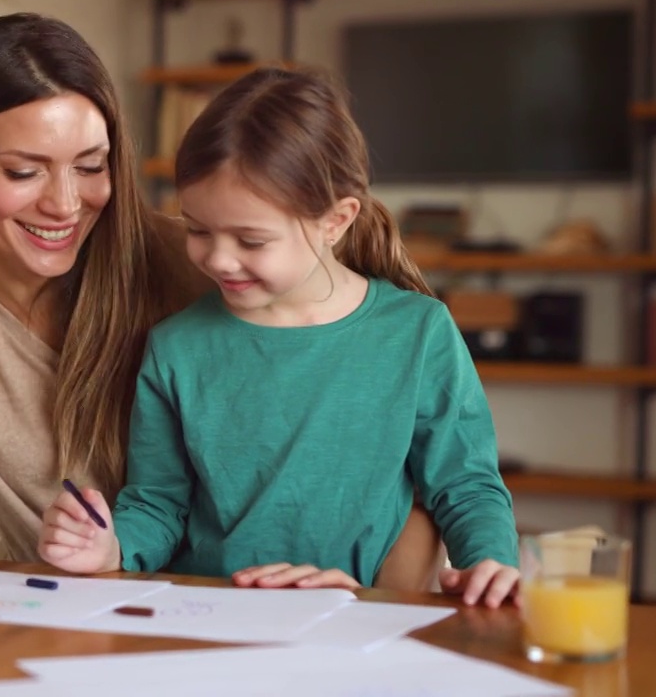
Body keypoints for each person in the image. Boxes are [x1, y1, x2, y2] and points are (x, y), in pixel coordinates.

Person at [0, 13, 443, 590]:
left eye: (91, 165)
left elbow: (413, 465)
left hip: (224, 606)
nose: (65, 203)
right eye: (24, 172)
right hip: (47, 611)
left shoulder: (200, 267)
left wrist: (372, 594)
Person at [38, 65, 521, 608]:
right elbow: (157, 502)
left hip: (355, 621)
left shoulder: (418, 332)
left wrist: (491, 564)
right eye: (197, 229)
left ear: (336, 221)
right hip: (206, 616)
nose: (217, 258)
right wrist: (110, 547)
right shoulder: (176, 346)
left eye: (251, 239)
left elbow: (465, 485)